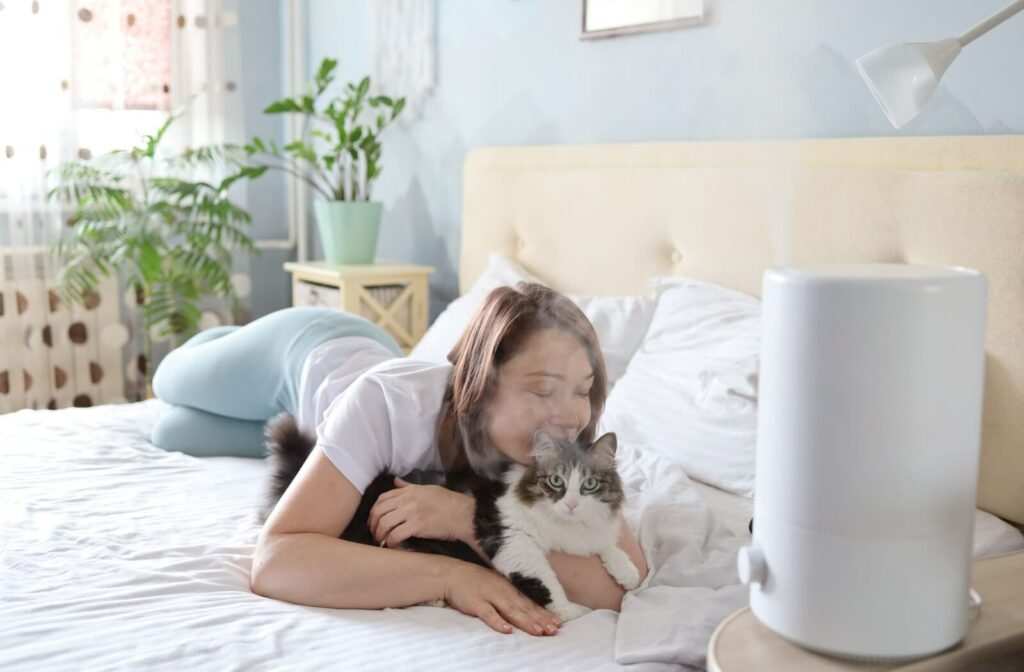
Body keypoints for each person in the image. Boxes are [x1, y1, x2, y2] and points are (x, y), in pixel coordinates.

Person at [153, 283, 648, 637]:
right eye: (542, 390)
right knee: (168, 384)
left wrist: (464, 518)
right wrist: (452, 576)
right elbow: (276, 561)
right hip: (311, 353)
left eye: (583, 391)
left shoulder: (563, 444)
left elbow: (620, 585)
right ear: (480, 383)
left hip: (327, 409)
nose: (569, 415)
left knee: (176, 432)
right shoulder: (389, 406)